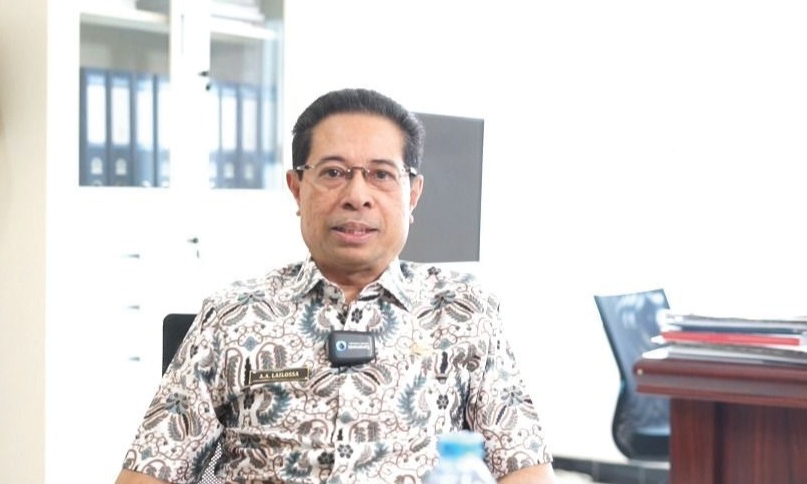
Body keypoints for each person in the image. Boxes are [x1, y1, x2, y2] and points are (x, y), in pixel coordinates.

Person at [115, 88, 556, 484]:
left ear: (413, 194)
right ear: (296, 188)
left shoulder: (464, 311)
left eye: (381, 174)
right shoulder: (233, 315)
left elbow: (525, 468)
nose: (357, 196)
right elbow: (149, 472)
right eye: (333, 173)